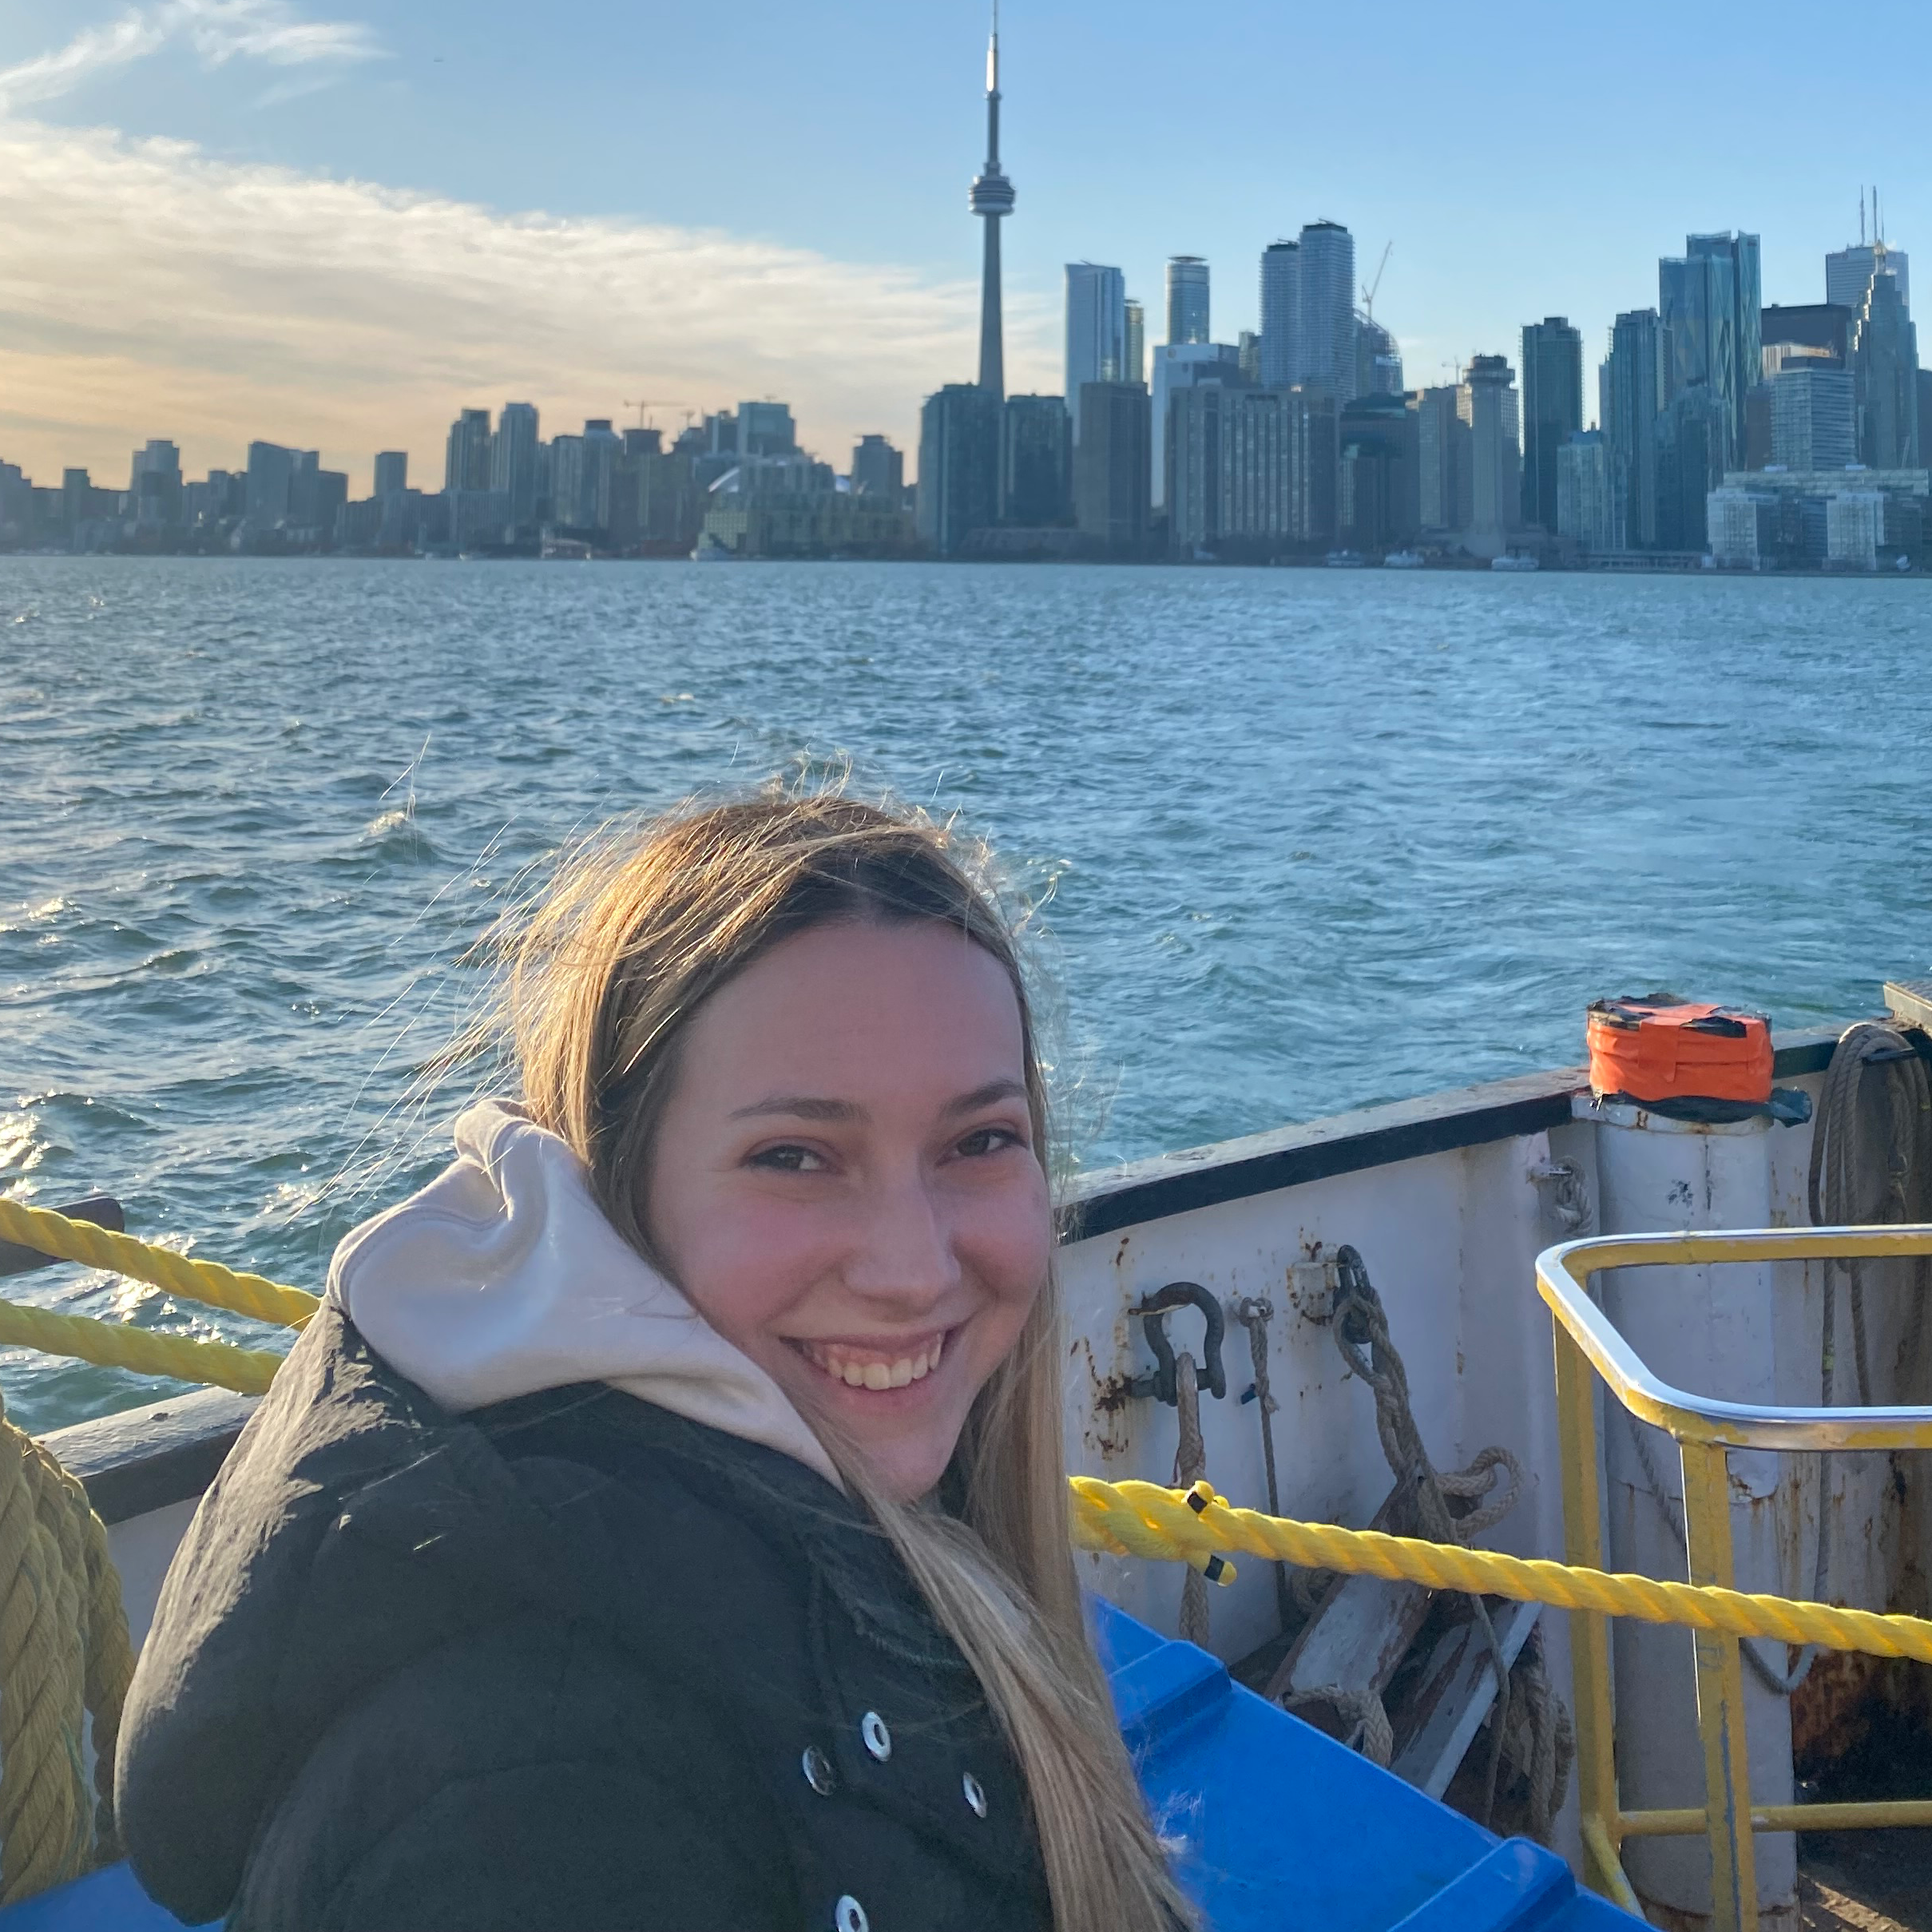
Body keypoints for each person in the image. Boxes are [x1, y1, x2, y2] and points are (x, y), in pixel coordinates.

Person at [117, 793, 1196, 1932]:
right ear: (617, 1187)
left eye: (979, 1140)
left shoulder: (864, 1503)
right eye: (794, 1156)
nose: (914, 1269)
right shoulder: (541, 1800)